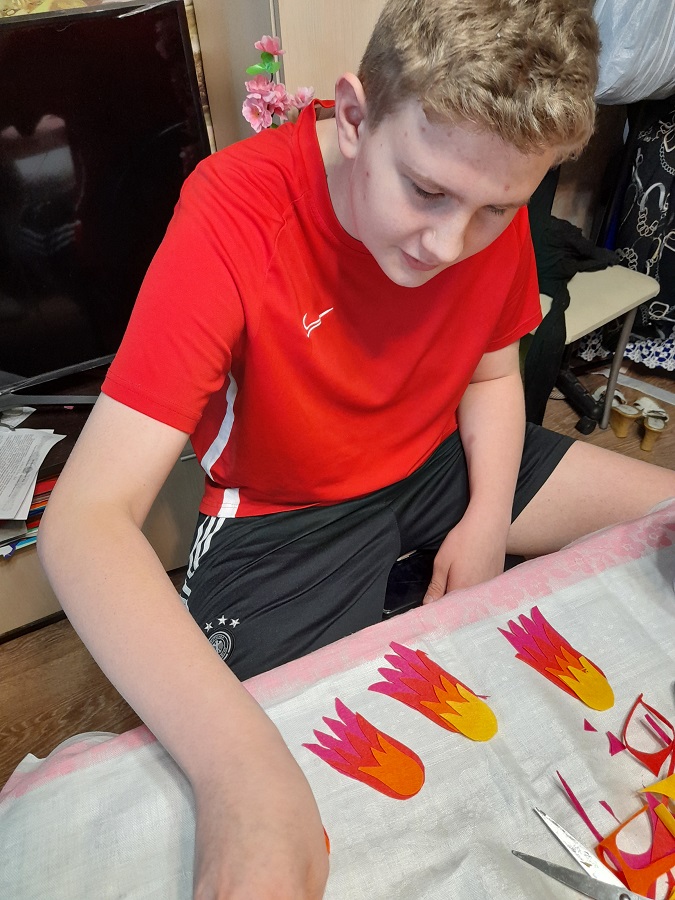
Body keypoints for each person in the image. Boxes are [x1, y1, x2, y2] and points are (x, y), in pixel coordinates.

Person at [37, 0, 675, 897]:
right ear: (352, 116)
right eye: (424, 191)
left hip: (435, 464)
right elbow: (86, 519)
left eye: (495, 210)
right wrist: (242, 778)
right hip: (284, 512)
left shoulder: (484, 186)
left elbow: (492, 376)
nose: (448, 244)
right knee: (278, 775)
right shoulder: (234, 207)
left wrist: (486, 518)